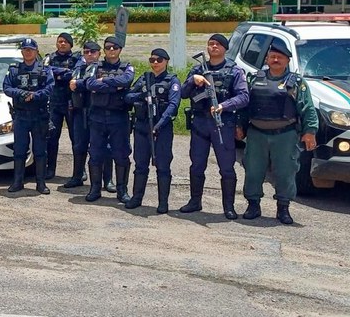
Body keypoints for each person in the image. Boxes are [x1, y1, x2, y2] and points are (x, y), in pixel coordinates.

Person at [236, 40, 318, 224]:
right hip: (256, 134)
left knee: (285, 172)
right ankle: (253, 205)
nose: (275, 60)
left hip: (285, 135)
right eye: (272, 56)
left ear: (287, 60)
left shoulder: (296, 82)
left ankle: (283, 208)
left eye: (279, 57)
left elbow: (308, 108)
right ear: (267, 58)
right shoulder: (254, 78)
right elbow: (244, 106)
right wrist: (239, 126)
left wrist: (310, 131)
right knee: (253, 171)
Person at [180, 33, 249, 219]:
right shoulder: (198, 69)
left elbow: (244, 97)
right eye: (211, 44)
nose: (214, 47)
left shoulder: (234, 71)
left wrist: (223, 106)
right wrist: (192, 80)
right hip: (200, 123)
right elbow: (183, 94)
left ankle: (229, 207)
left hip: (222, 123)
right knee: (197, 165)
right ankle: (195, 202)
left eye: (218, 44)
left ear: (225, 48)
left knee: (226, 167)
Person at [123, 48, 180, 213]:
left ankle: (163, 203)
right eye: (152, 60)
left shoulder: (172, 81)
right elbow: (128, 97)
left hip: (161, 129)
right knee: (140, 164)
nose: (155, 63)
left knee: (163, 166)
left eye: (159, 60)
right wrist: (142, 95)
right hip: (142, 127)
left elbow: (173, 105)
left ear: (166, 61)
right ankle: (136, 198)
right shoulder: (144, 79)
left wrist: (159, 124)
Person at [85, 36, 134, 203]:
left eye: (115, 47)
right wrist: (115, 87)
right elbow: (90, 84)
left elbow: (127, 81)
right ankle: (95, 189)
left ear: (120, 49)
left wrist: (104, 81)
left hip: (118, 117)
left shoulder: (127, 67)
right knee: (96, 154)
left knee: (121, 155)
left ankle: (122, 191)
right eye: (108, 47)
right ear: (104, 50)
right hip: (97, 117)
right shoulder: (94, 66)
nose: (111, 50)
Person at [2, 37, 54, 194]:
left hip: (39, 116)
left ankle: (41, 184)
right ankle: (18, 182)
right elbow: (6, 87)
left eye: (31, 49)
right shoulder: (14, 70)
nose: (28, 52)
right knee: (19, 150)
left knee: (40, 151)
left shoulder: (45, 70)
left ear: (36, 51)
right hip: (21, 116)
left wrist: (34, 96)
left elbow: (50, 88)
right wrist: (22, 93)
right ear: (22, 51)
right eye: (25, 49)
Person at [43, 32, 79, 180]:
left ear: (70, 44)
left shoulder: (77, 58)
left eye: (65, 41)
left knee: (76, 138)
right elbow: (45, 72)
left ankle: (79, 171)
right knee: (52, 138)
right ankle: (50, 169)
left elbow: (76, 74)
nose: (62, 44)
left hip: (72, 103)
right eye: (60, 41)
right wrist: (63, 73)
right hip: (54, 103)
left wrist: (57, 74)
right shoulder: (49, 58)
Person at [64, 41, 100, 188]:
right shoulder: (79, 68)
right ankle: (77, 176)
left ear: (99, 53)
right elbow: (71, 83)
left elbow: (91, 83)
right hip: (79, 112)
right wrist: (80, 83)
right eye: (86, 52)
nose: (89, 54)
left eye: (93, 51)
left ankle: (106, 181)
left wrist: (79, 83)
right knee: (79, 146)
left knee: (101, 148)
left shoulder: (102, 68)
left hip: (97, 112)